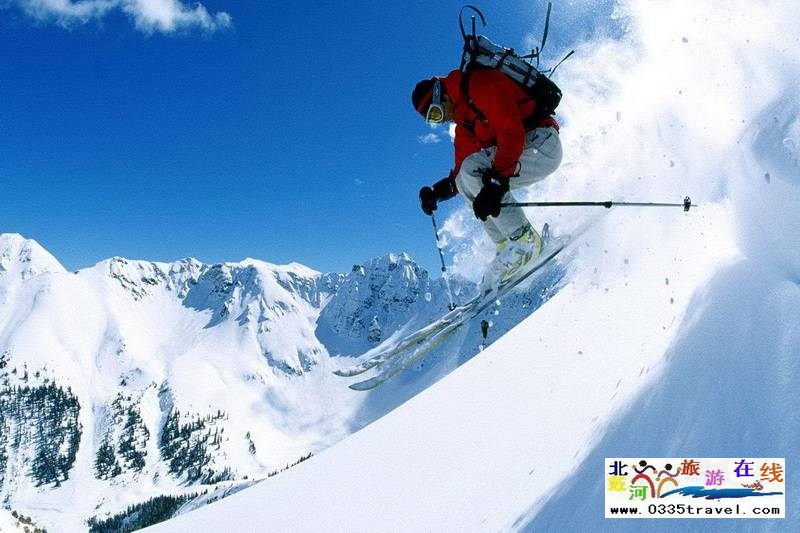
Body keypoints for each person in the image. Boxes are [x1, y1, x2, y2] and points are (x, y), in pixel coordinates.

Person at [412, 68, 562, 289]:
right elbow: (462, 176)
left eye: (437, 113)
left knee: (473, 170)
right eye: (433, 120)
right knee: (465, 179)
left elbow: (511, 133)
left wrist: (496, 182)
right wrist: (436, 193)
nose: (441, 120)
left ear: (442, 96)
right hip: (526, 153)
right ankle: (508, 246)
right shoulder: (465, 126)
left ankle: (525, 242)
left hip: (542, 144)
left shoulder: (481, 84)